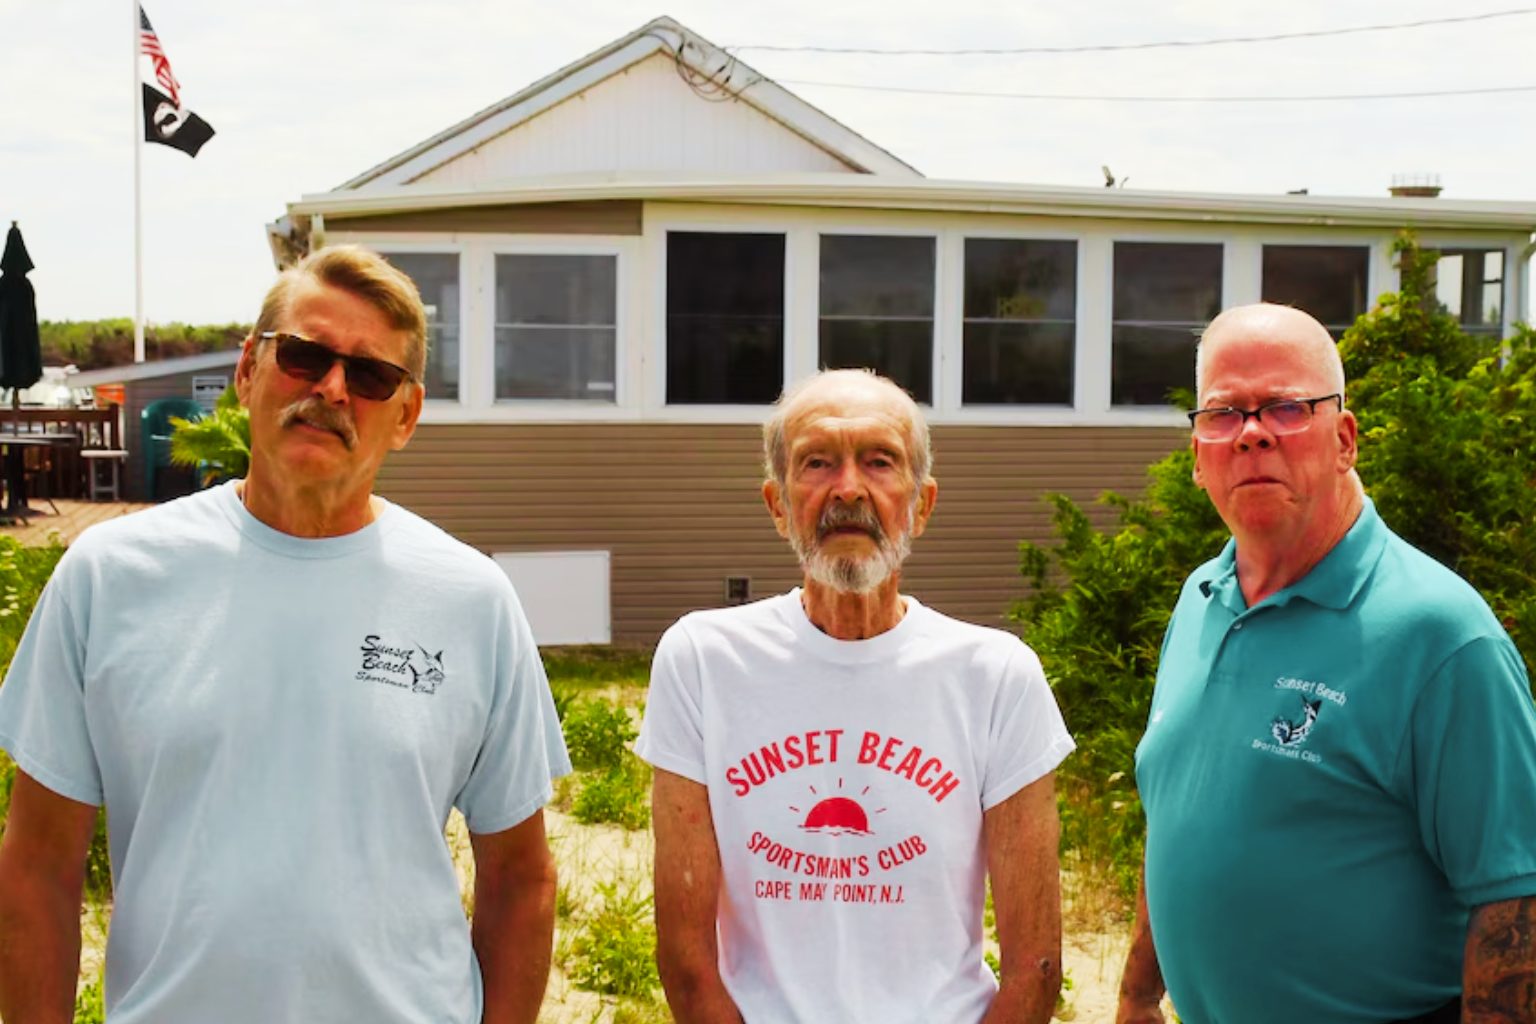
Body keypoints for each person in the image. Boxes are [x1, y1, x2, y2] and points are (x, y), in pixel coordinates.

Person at [0, 246, 571, 1024]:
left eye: (371, 377)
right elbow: (37, 868)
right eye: (304, 355)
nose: (332, 388)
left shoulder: (471, 599)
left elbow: (521, 879)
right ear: (247, 371)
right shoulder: (110, 575)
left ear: (405, 417)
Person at [1117, 303, 1536, 1024]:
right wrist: (1135, 995)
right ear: (1196, 455)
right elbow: (1182, 814)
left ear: (1344, 439)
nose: (1251, 434)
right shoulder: (1200, 600)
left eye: (1284, 407)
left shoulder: (1440, 636)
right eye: (1223, 414)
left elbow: (1515, 898)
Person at [636, 368, 1075, 1024]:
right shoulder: (702, 661)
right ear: (776, 503)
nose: (848, 489)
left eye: (879, 461)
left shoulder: (996, 677)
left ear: (922, 504)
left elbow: (1034, 965)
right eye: (817, 463)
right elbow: (685, 954)